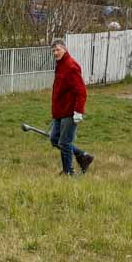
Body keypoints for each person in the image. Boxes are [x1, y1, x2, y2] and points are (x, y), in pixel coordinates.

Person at [49, 39, 93, 176]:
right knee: (54, 139)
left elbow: (81, 92)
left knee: (64, 142)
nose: (56, 53)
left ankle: (68, 171)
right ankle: (82, 156)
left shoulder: (71, 66)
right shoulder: (60, 65)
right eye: (54, 51)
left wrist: (78, 111)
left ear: (65, 49)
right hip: (60, 111)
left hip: (70, 111)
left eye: (58, 50)